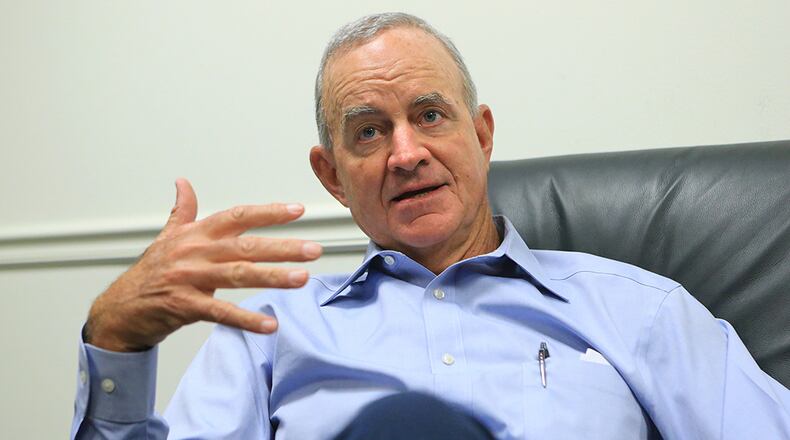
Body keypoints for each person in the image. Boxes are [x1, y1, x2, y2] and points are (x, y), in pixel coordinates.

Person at [71, 12, 790, 439]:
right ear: (332, 176)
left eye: (430, 115)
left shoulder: (639, 309)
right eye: (369, 132)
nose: (406, 153)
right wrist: (116, 344)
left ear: (482, 135)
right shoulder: (267, 330)